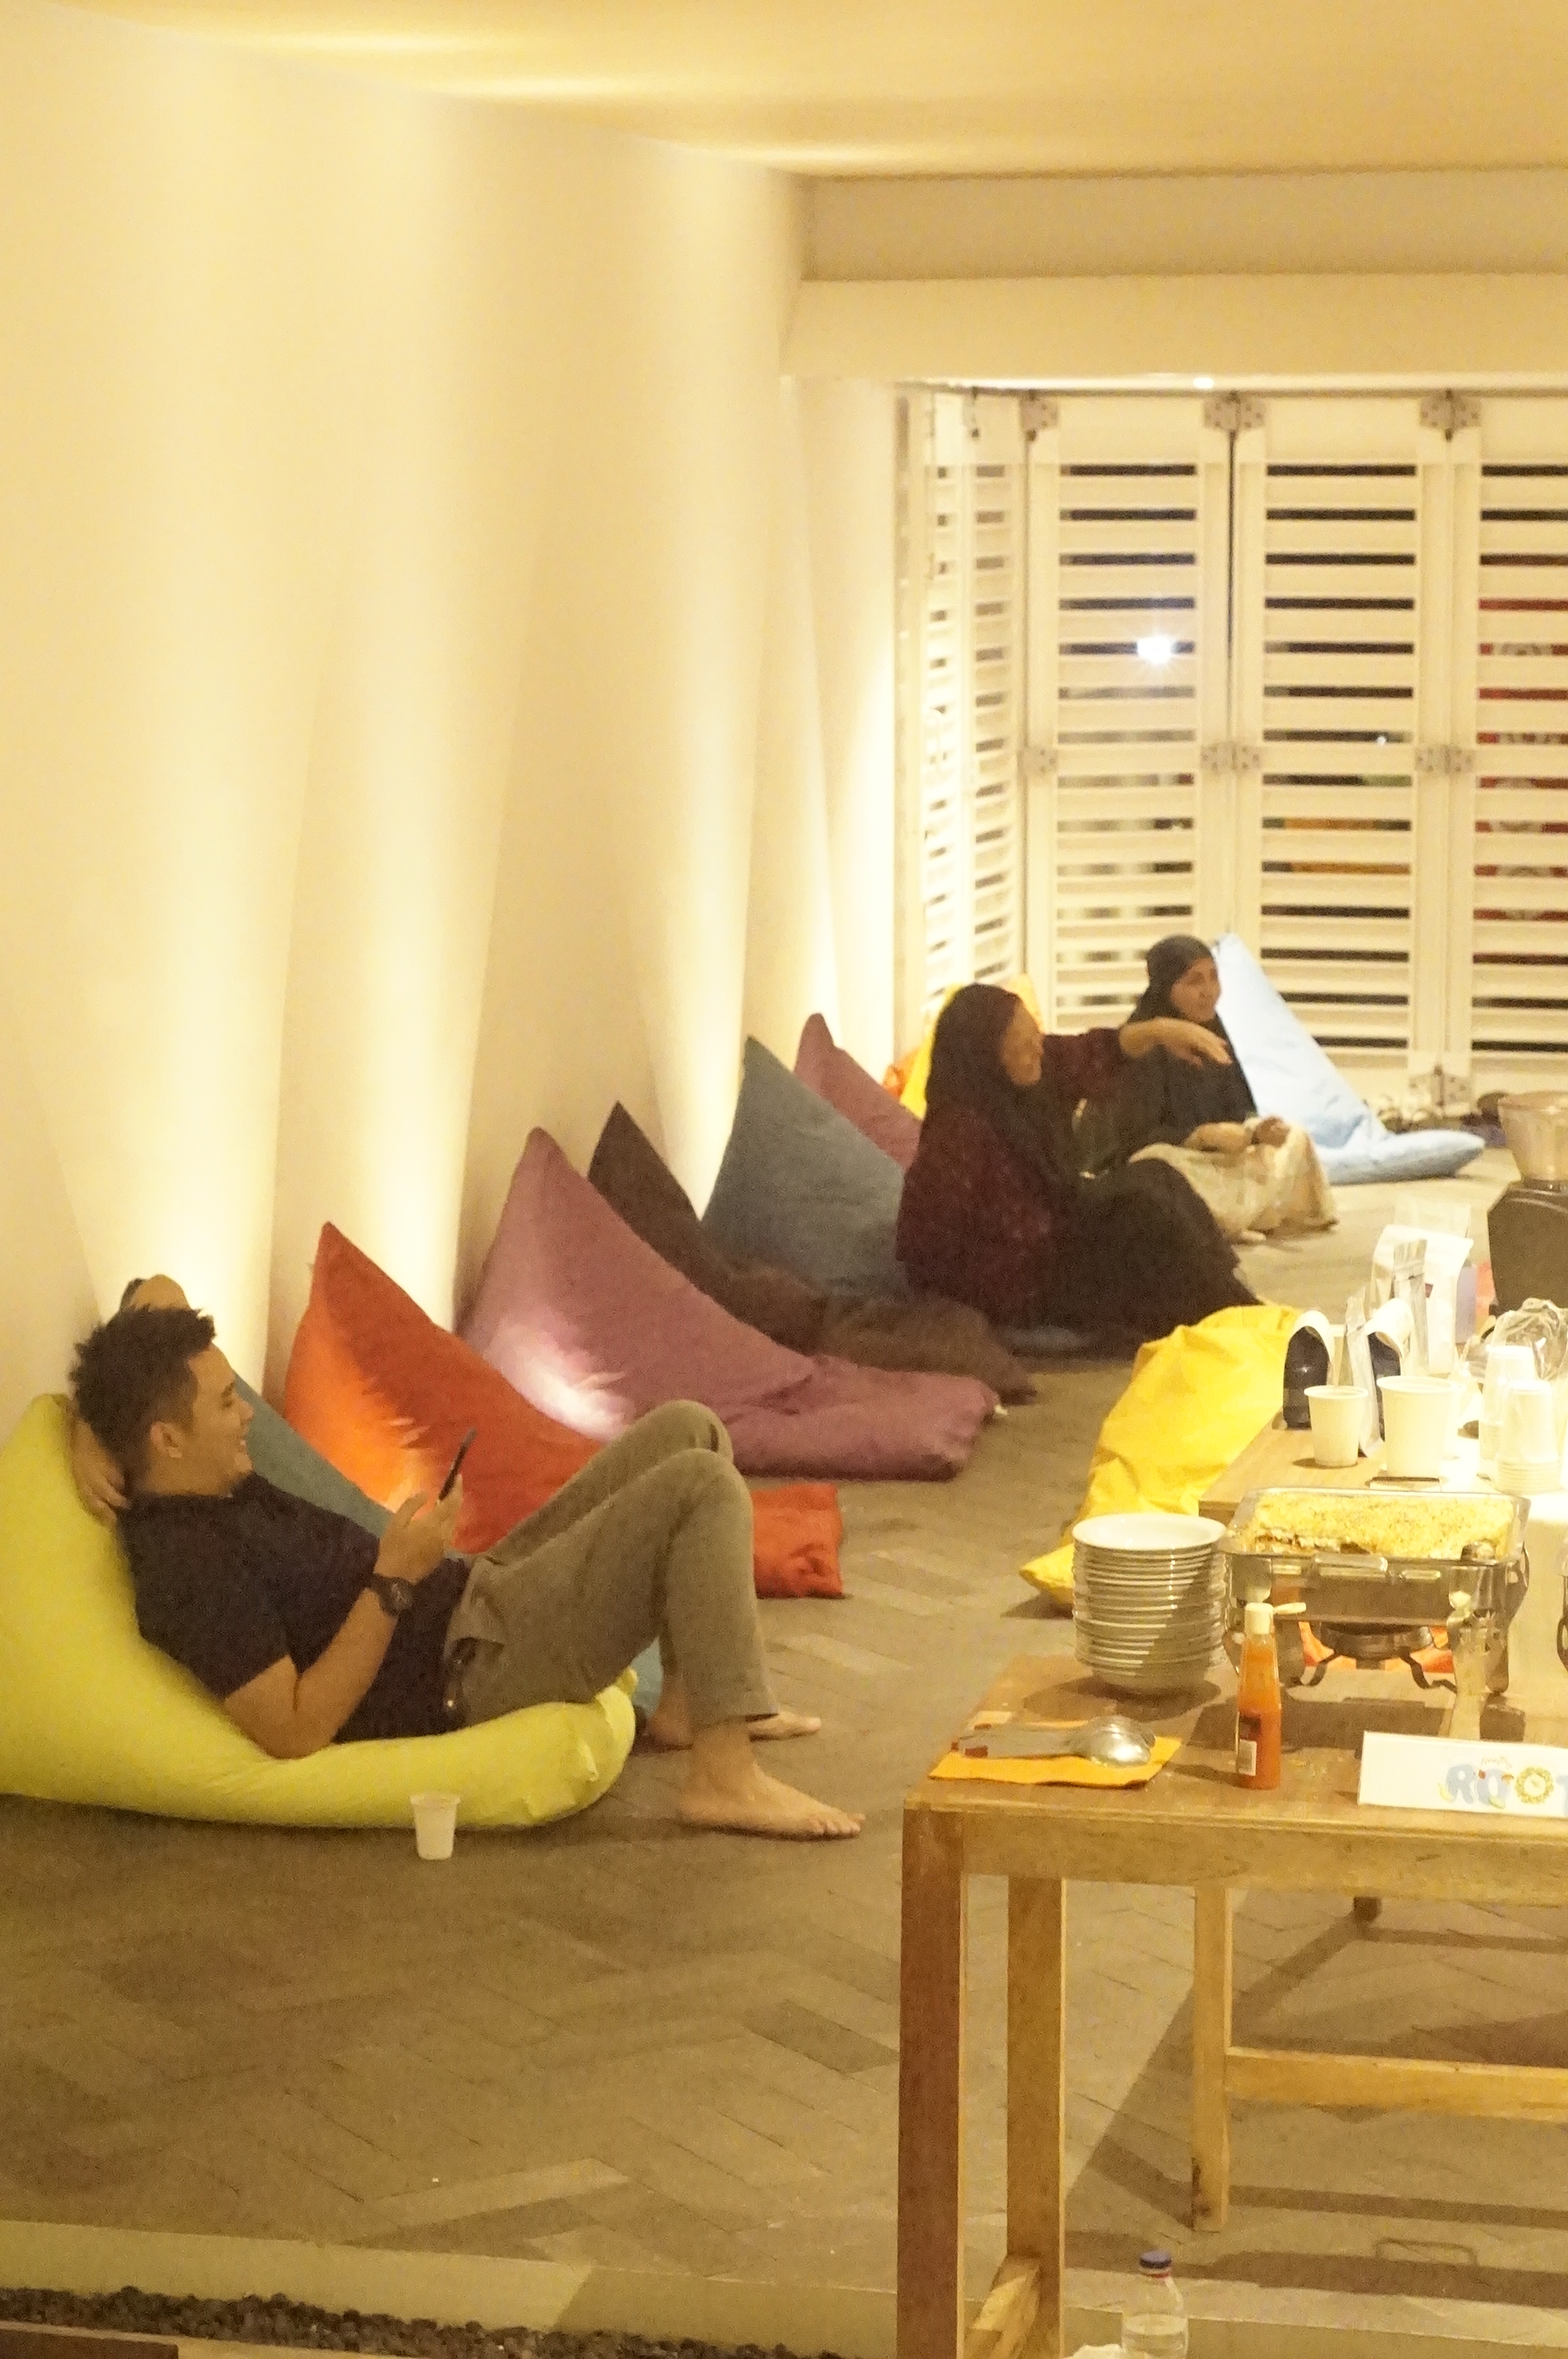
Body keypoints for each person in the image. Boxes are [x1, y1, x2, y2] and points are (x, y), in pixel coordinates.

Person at [68, 1278, 860, 1841]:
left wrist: (91, 1425)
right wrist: (392, 1580)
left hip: (471, 1593)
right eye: (224, 1402)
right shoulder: (187, 1567)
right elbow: (294, 1728)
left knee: (692, 1428)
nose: (247, 1411)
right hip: (471, 1667)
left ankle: (693, 1701)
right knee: (700, 1488)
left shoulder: (189, 1462)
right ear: (167, 1438)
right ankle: (723, 1776)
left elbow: (155, 1291)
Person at [894, 983, 1258, 1344]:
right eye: (1023, 1043)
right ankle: (1233, 1323)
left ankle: (1232, 1299)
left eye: (1035, 1035)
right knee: (1143, 1219)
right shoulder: (957, 1134)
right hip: (1028, 1280)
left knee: (1157, 1175)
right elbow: (923, 1245)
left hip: (1061, 1228)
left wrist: (1160, 1031)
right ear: (986, 1056)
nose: (1038, 1047)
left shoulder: (1032, 1074)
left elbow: (1095, 1051)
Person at [1077, 936, 1336, 1243]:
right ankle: (1225, 1220)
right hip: (1164, 1160)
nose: (1209, 991)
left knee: (1295, 1139)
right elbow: (1132, 1142)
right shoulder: (1144, 1042)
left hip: (1218, 1161)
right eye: (1195, 981)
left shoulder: (1213, 1033)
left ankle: (1232, 1217)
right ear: (1166, 987)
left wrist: (1257, 1131)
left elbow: (1237, 1110)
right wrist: (1199, 1136)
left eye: (1214, 977)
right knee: (1162, 1166)